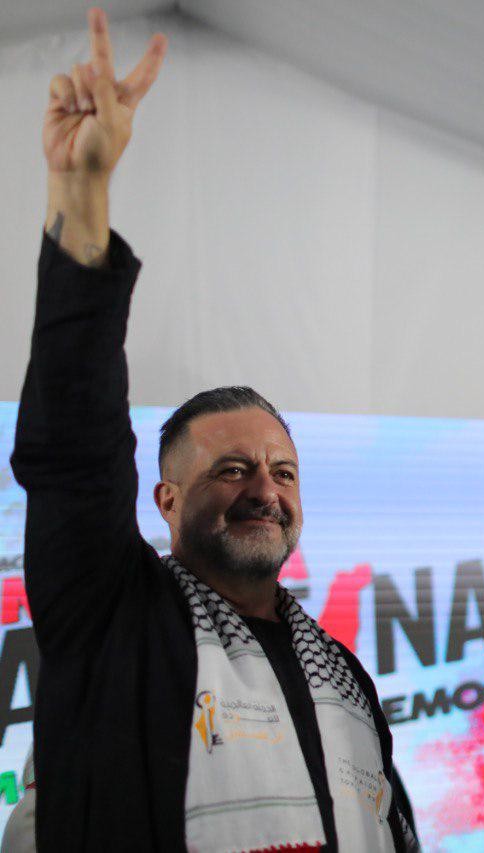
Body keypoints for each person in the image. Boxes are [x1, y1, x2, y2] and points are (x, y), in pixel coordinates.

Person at [11, 10, 416, 850]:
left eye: (283, 471)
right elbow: (75, 451)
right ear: (166, 499)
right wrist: (81, 198)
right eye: (232, 469)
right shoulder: (114, 617)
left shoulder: (342, 671)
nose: (265, 489)